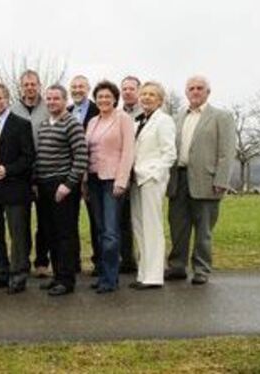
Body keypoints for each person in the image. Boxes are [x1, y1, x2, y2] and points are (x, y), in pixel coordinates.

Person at [165, 76, 236, 285]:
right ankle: (177, 266)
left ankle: (201, 269)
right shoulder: (178, 117)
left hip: (207, 181)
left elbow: (226, 152)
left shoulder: (221, 117)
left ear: (207, 92)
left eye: (199, 88)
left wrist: (221, 180)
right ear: (186, 92)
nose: (195, 91)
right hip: (178, 179)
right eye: (191, 88)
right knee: (177, 227)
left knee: (203, 230)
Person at [0, 82, 35, 294]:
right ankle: (0, 272)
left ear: (7, 98)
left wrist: (9, 170)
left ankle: (19, 274)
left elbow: (29, 157)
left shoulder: (21, 124)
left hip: (14, 184)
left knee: (17, 232)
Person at [34, 84, 88, 296]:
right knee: (50, 232)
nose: (51, 102)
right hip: (44, 186)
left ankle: (66, 280)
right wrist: (36, 182)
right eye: (48, 99)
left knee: (65, 234)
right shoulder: (45, 124)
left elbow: (81, 157)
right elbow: (40, 158)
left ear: (65, 101)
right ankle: (56, 275)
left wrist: (68, 185)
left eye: (56, 98)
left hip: (63, 186)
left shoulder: (72, 124)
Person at [84, 80, 135, 294]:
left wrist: (122, 180)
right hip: (94, 180)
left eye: (108, 96)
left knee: (111, 231)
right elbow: (86, 152)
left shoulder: (123, 119)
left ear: (115, 98)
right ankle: (103, 273)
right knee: (100, 230)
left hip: (112, 180)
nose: (103, 100)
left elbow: (128, 151)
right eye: (100, 97)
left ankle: (111, 278)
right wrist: (84, 181)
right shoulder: (92, 121)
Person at [129, 82, 177, 290]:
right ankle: (143, 272)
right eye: (144, 94)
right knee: (139, 226)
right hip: (136, 178)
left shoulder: (164, 121)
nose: (147, 98)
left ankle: (154, 276)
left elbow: (170, 153)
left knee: (152, 227)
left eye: (152, 95)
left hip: (151, 179)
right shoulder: (138, 121)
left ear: (160, 100)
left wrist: (155, 174)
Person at [10, 70, 50, 279]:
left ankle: (42, 261)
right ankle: (22, 261)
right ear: (21, 86)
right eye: (26, 84)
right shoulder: (13, 109)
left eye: (33, 84)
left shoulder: (48, 107)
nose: (30, 87)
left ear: (39, 85)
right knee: (21, 221)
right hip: (21, 174)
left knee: (44, 220)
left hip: (45, 170)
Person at [67, 75, 101, 275]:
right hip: (70, 174)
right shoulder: (67, 111)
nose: (77, 90)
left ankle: (99, 262)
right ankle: (73, 262)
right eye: (74, 87)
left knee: (96, 221)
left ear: (88, 89)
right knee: (69, 221)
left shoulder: (99, 111)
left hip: (93, 173)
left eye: (81, 86)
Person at [118, 75, 143, 274]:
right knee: (123, 220)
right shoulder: (117, 114)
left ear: (138, 90)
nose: (127, 92)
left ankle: (146, 262)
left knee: (142, 220)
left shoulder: (148, 113)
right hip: (123, 175)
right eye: (124, 89)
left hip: (143, 174)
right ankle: (127, 260)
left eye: (131, 89)